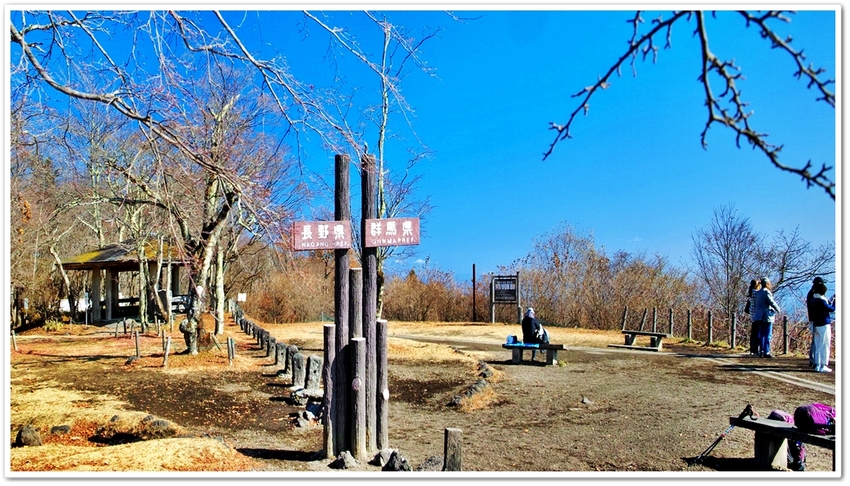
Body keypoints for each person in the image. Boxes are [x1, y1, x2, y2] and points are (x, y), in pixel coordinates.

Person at [807, 279, 835, 373]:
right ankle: (823, 364)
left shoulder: (813, 299)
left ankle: (817, 364)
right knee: (825, 344)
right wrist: (835, 302)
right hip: (824, 324)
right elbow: (831, 309)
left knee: (818, 345)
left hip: (817, 324)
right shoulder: (821, 301)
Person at [752, 277, 781, 358]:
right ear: (767, 284)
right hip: (766, 315)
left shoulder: (757, 293)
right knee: (767, 335)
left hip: (758, 316)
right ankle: (766, 351)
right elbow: (771, 302)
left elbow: (755, 304)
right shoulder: (766, 292)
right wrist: (778, 309)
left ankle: (761, 350)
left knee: (760, 334)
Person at [805, 277, 825, 368]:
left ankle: (813, 360)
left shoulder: (811, 293)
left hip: (812, 318)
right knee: (816, 341)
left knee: (815, 340)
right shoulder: (814, 293)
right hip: (816, 319)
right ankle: (814, 360)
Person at [744, 279, 761, 356]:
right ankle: (755, 349)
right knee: (756, 333)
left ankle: (752, 349)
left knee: (753, 333)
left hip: (752, 314)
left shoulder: (751, 291)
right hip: (756, 314)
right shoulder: (755, 292)